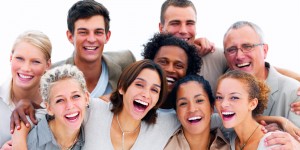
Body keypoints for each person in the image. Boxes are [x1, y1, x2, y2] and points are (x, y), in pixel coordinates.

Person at [83, 59, 180, 150]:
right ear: (121, 87)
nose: (146, 94)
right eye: (139, 85)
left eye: (154, 90)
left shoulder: (166, 124)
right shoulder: (93, 110)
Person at [223, 21, 300, 126]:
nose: (239, 56)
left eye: (247, 46)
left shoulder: (293, 93)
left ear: (264, 50)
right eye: (232, 50)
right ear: (225, 56)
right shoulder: (221, 90)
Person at [52, 0, 135, 98]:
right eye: (83, 32)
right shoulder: (53, 74)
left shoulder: (127, 62)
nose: (91, 39)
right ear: (70, 36)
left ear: (107, 36)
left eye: (98, 32)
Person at [215, 70, 299, 149]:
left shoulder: (274, 143)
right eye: (219, 97)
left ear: (252, 104)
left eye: (234, 97)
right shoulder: (232, 138)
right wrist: (279, 120)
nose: (223, 104)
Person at [11, 64, 89, 150]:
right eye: (60, 100)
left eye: (76, 96)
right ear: (49, 108)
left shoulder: (88, 134)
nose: (70, 106)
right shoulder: (31, 144)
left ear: (86, 98)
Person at [158, 0, 227, 94]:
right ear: (161, 28)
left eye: (190, 23)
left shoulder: (218, 58)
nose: (183, 30)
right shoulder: (149, 63)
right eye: (175, 23)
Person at [0, 30, 51, 148]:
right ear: (10, 57)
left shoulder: (59, 104)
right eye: (19, 58)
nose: (26, 68)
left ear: (47, 65)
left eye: (36, 62)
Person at [164, 74, 229, 150]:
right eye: (183, 103)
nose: (192, 109)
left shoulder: (231, 145)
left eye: (199, 100)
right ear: (177, 112)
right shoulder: (161, 144)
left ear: (211, 107)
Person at [142, 33, 202, 109]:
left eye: (178, 65)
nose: (170, 69)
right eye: (163, 62)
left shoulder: (192, 112)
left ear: (188, 71)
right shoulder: (135, 106)